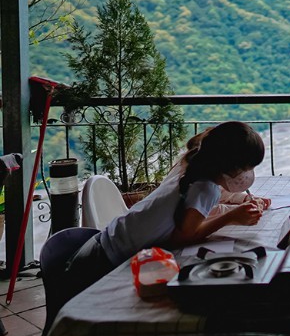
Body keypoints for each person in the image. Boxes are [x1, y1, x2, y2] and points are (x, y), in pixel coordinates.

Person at [63, 120, 266, 298]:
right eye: (246, 168)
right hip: (100, 264)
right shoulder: (206, 188)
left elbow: (184, 228)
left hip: (100, 247)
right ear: (229, 165)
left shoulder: (193, 170)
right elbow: (184, 236)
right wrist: (231, 217)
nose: (247, 174)